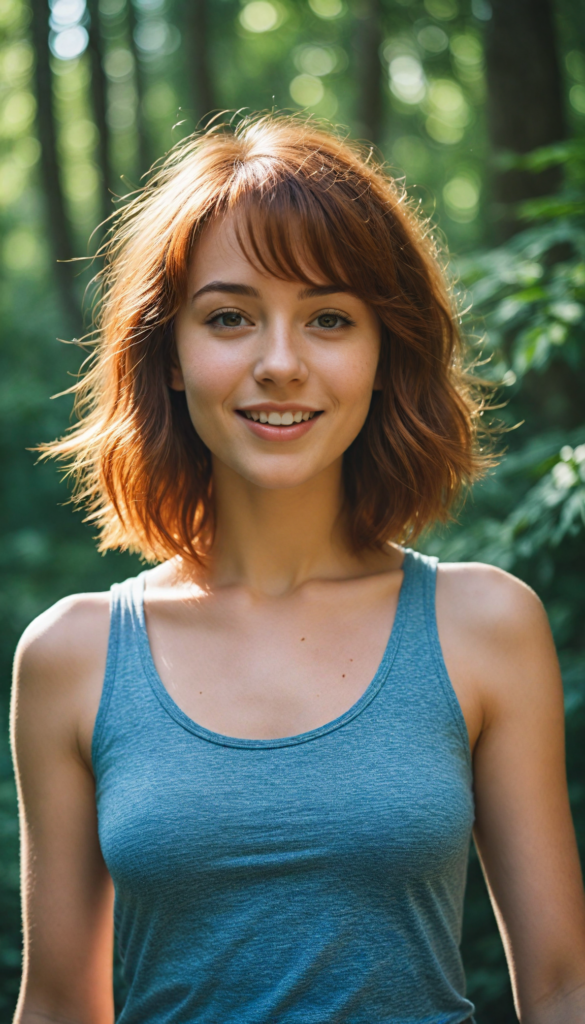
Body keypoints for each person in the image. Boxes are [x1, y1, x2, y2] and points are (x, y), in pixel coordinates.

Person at [10, 115, 585, 1024]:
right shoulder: (71, 657)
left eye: (328, 319)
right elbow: (55, 1006)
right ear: (167, 355)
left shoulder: (483, 627)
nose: (280, 364)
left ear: (384, 352)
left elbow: (562, 988)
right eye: (229, 318)